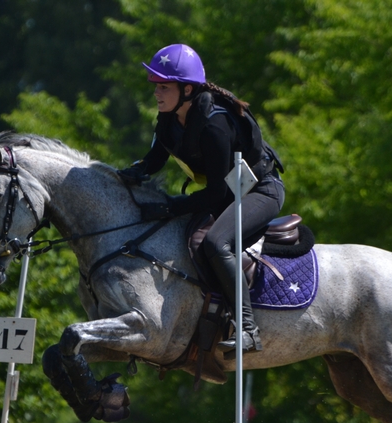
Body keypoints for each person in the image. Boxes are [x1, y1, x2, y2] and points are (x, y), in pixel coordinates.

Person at [118, 43, 285, 352]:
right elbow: (152, 163)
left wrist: (169, 206)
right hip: (228, 194)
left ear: (186, 89)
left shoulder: (214, 125)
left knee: (215, 243)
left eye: (163, 86)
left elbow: (215, 194)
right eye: (156, 85)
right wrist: (119, 178)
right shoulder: (168, 118)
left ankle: (249, 328)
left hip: (261, 191)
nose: (156, 92)